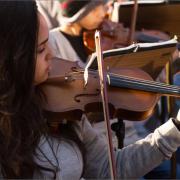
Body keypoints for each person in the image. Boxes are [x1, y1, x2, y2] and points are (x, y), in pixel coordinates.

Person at [1, 0, 180, 179]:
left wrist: (175, 128)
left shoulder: (60, 102)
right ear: (11, 58)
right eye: (41, 49)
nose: (51, 53)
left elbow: (107, 169)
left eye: (48, 43)